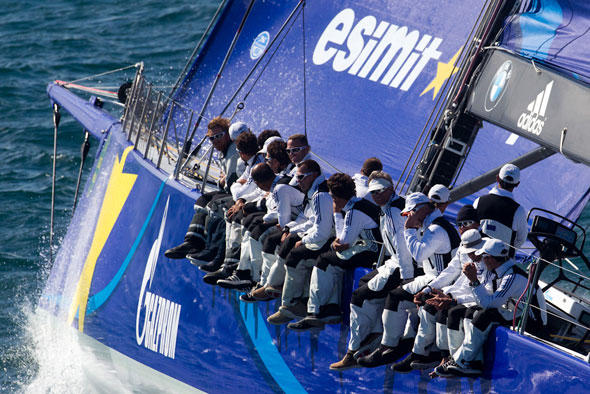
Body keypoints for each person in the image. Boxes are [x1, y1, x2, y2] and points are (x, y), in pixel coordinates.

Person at [358, 192, 460, 368]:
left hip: (441, 280)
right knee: (399, 294)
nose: (406, 218)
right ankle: (398, 344)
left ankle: (392, 348)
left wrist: (409, 230)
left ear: (420, 210)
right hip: (434, 276)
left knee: (398, 298)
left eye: (408, 214)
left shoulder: (436, 229)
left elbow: (419, 254)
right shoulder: (432, 224)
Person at [329, 171, 412, 371]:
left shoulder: (392, 212)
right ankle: (374, 332)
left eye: (380, 191)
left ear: (391, 189)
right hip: (394, 262)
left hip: (403, 266)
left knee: (358, 296)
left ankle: (353, 350)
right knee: (364, 282)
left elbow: (401, 248)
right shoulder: (390, 207)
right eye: (373, 192)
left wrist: (407, 279)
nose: (376, 196)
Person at [392, 208, 485, 373]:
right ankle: (420, 353)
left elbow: (484, 286)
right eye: (460, 224)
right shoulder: (464, 246)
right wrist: (428, 289)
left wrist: (451, 298)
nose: (463, 227)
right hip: (459, 293)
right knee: (428, 305)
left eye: (468, 223)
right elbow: (449, 272)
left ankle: (449, 357)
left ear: (478, 224)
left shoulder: (486, 250)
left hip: (475, 297)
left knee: (446, 310)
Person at [287, 173, 381, 331]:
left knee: (325, 261)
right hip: (366, 245)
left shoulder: (353, 212)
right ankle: (329, 307)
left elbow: (342, 241)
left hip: (371, 250)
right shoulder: (358, 204)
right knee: (330, 256)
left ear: (337, 197)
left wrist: (337, 213)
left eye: (332, 197)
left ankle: (315, 311)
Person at [435, 238, 530, 377]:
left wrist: (473, 280)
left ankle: (460, 361)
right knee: (466, 312)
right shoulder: (499, 271)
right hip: (510, 311)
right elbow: (485, 299)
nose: (480, 260)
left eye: (483, 257)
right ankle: (471, 362)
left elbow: (490, 304)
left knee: (484, 315)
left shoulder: (512, 276)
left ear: (491, 259)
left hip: (527, 319)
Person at [260, 159, 333, 312]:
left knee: (295, 252)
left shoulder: (321, 195)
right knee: (275, 239)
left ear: (313, 175)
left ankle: (290, 303)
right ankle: (271, 285)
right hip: (316, 232)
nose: (298, 182)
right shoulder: (312, 191)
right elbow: (305, 218)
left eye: (300, 177)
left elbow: (320, 228)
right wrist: (289, 228)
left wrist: (301, 238)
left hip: (326, 238)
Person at [165, 117, 240, 259]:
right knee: (202, 200)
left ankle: (211, 248)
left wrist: (223, 183)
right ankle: (192, 241)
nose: (216, 141)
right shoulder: (224, 151)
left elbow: (231, 181)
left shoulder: (233, 152)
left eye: (219, 136)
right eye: (212, 139)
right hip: (231, 190)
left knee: (214, 204)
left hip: (240, 194)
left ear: (228, 134)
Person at [186, 131, 263, 265]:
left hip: (253, 201)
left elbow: (239, 189)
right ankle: (193, 241)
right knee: (204, 201)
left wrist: (238, 193)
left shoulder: (256, 164)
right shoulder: (252, 162)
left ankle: (218, 255)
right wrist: (237, 190)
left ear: (241, 152)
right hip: (244, 197)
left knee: (222, 210)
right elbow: (240, 184)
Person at [474, 163, 528, 257]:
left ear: (497, 178)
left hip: (476, 260)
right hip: (501, 265)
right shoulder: (519, 211)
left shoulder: (478, 202)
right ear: (517, 184)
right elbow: (521, 239)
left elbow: (471, 229)